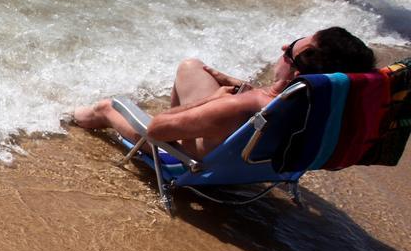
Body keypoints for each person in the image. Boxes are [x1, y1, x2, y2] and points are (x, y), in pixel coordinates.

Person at [72, 27, 377, 159]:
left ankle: (70, 117)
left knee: (107, 106)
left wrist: (214, 100)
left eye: (291, 48)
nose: (284, 46)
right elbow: (266, 102)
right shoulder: (323, 100)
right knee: (192, 67)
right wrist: (232, 87)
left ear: (297, 70)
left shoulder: (245, 105)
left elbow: (156, 128)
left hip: (195, 156)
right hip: (250, 160)